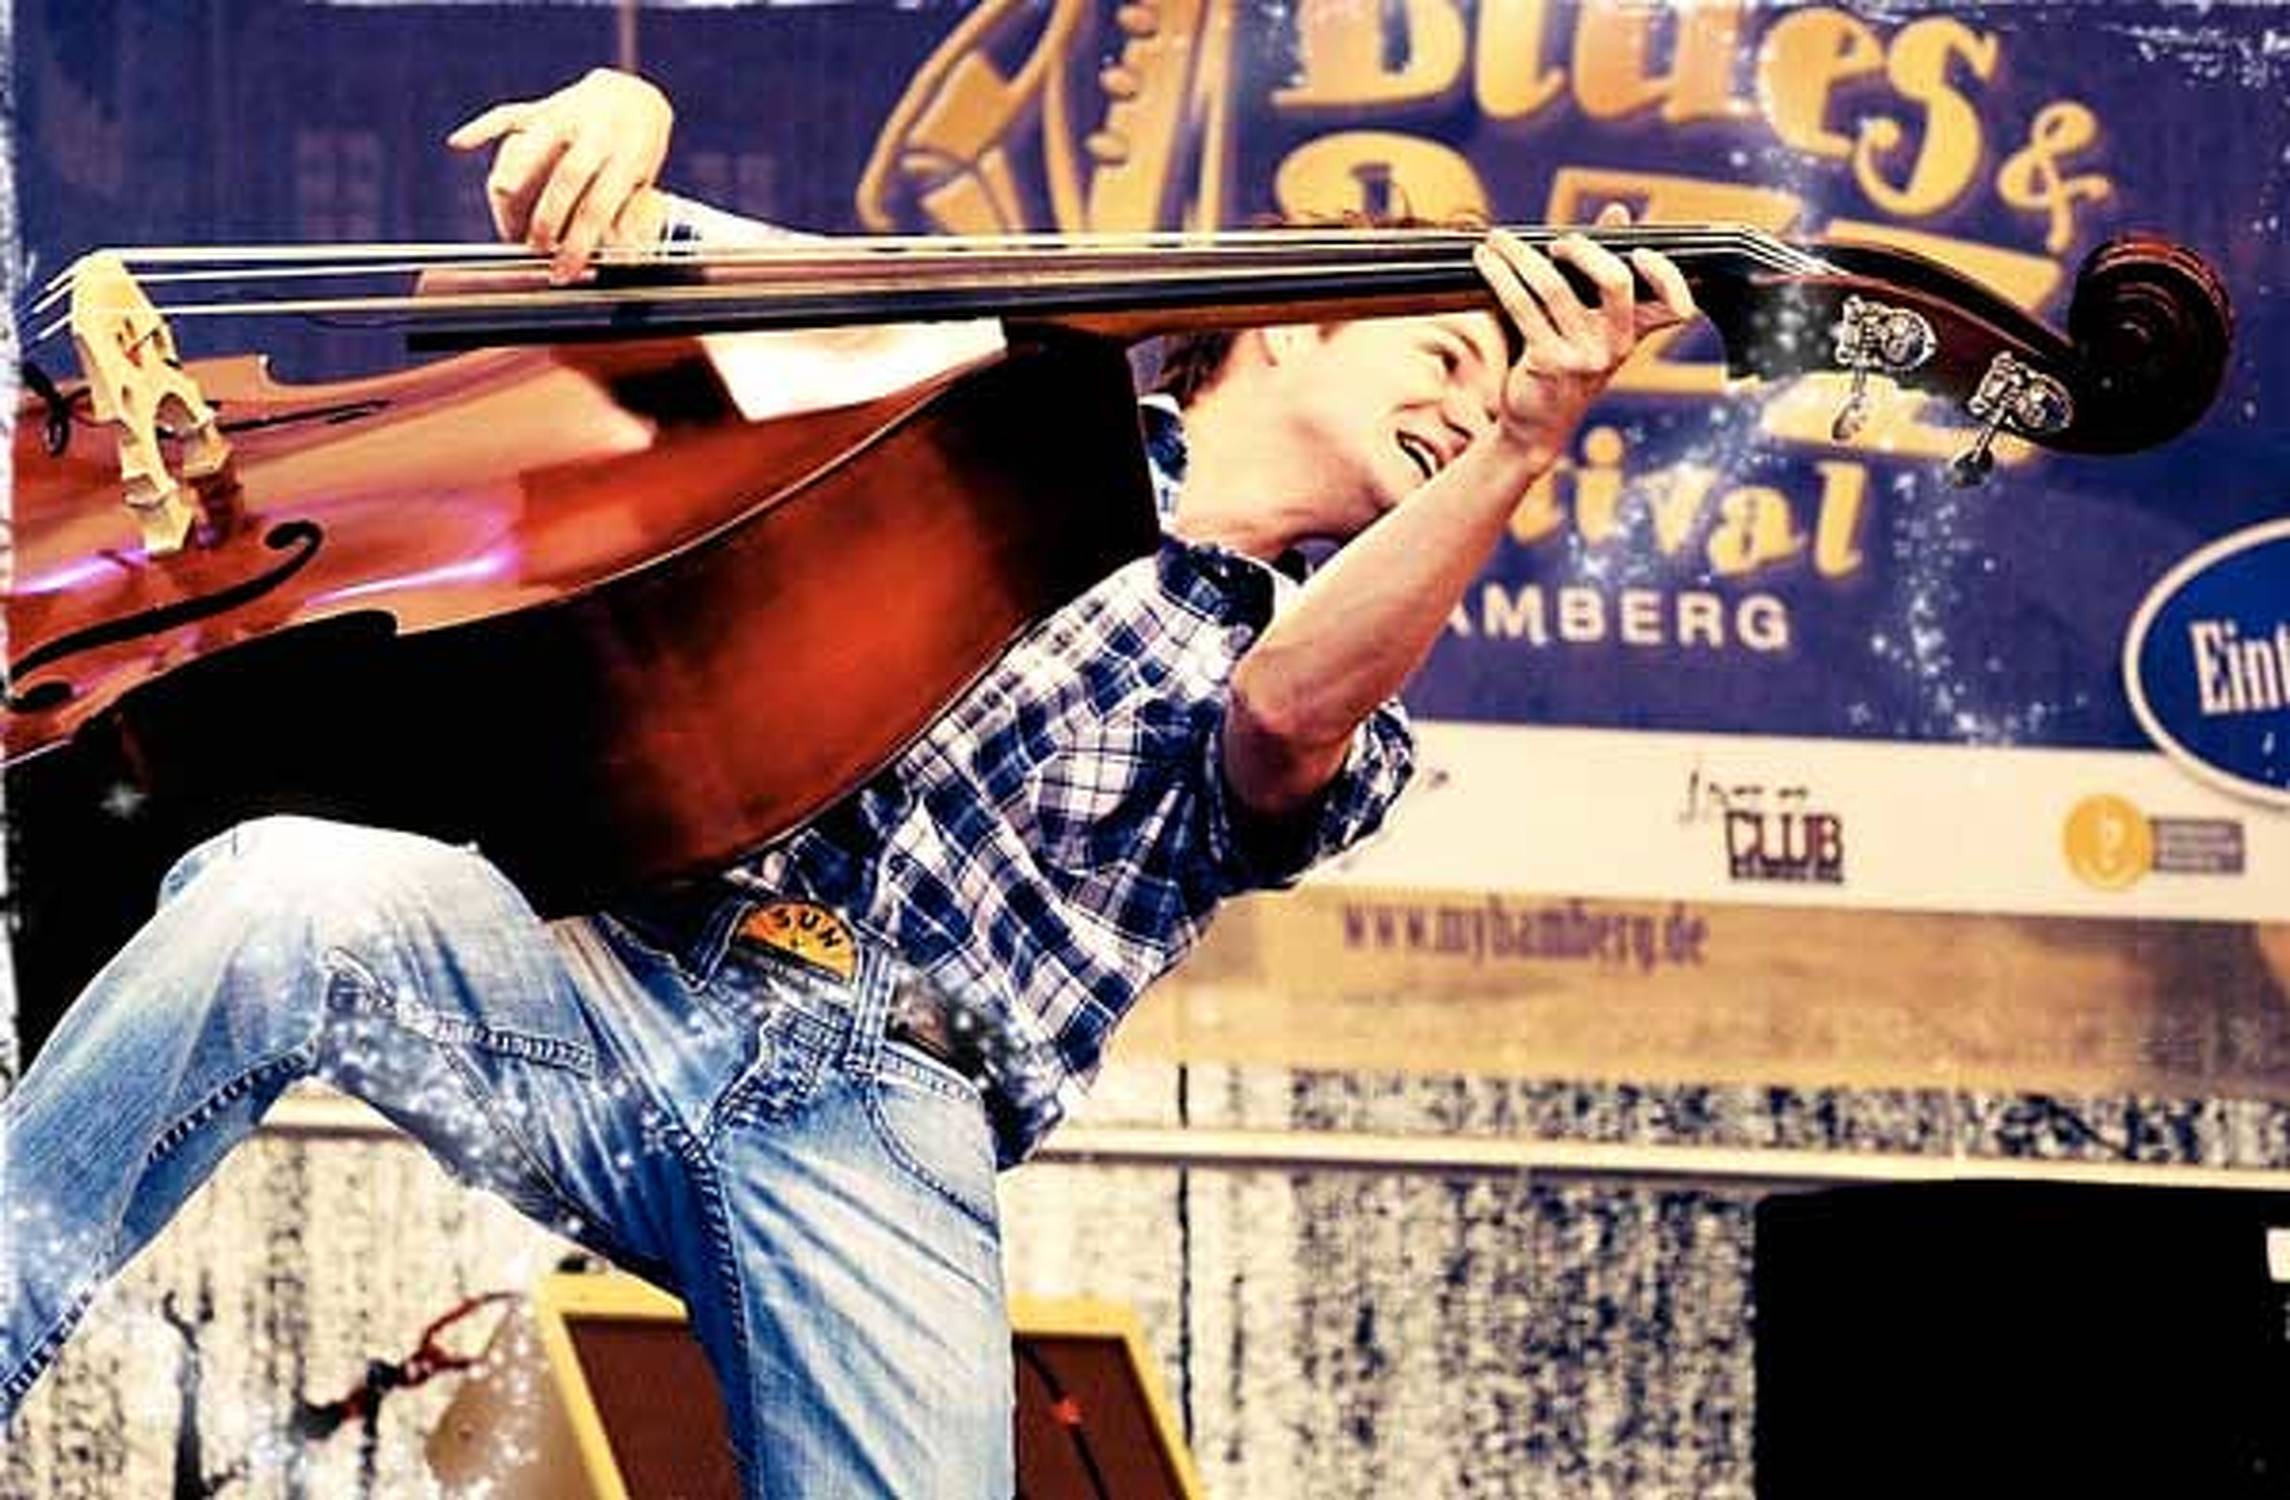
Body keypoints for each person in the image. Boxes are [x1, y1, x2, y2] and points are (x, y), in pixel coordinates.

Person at [1, 66, 1693, 1498]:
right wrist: (621, 142)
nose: (1470, 414)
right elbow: (722, 296)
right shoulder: (975, 398)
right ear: (1289, 319)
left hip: (878, 1118)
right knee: (287, 893)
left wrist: (1524, 439)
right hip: (619, 989)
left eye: (1495, 410)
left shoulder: (1331, 665)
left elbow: (1280, 714)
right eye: (1446, 362)